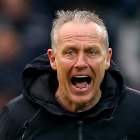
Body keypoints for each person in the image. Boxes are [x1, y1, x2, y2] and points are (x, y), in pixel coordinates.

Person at [0, 9, 140, 140]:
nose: (81, 63)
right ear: (53, 59)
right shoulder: (17, 117)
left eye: (91, 52)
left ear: (107, 58)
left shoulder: (136, 111)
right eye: (70, 52)